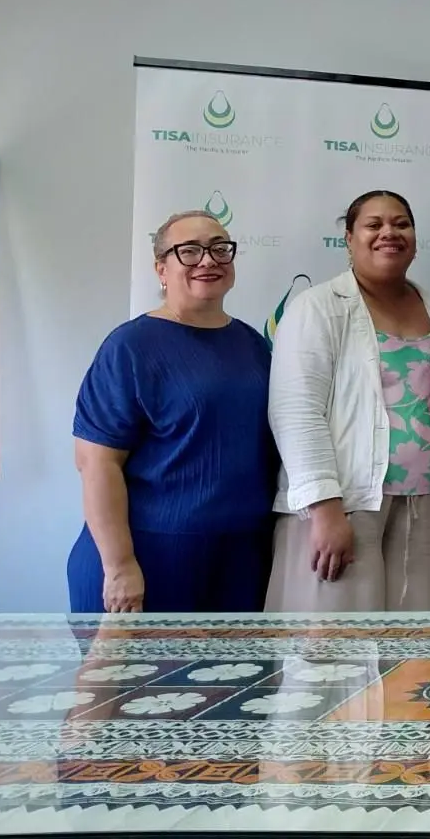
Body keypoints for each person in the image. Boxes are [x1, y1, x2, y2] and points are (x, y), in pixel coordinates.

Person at [67, 210, 276, 613]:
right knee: (124, 678)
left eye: (220, 248)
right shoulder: (131, 347)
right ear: (161, 267)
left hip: (239, 560)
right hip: (145, 557)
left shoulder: (252, 345)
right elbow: (96, 463)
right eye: (189, 251)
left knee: (236, 678)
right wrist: (119, 564)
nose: (208, 260)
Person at [266, 190, 430, 612]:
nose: (389, 232)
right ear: (349, 239)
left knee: (412, 654)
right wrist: (325, 508)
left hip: (425, 503)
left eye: (401, 223)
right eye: (374, 224)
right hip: (346, 505)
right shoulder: (316, 309)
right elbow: (295, 412)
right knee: (334, 655)